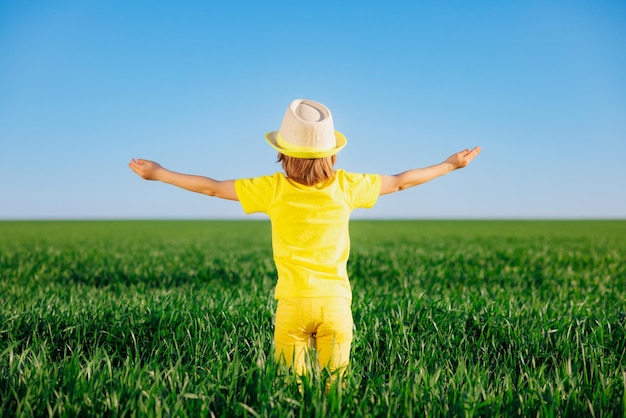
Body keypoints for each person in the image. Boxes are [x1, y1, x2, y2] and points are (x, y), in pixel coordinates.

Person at [128, 98, 480, 389]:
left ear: (282, 154)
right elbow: (402, 182)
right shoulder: (348, 185)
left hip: (292, 307)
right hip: (336, 306)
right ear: (333, 155)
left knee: (291, 397)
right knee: (334, 393)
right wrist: (449, 165)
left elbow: (212, 187)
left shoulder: (272, 189)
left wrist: (159, 173)